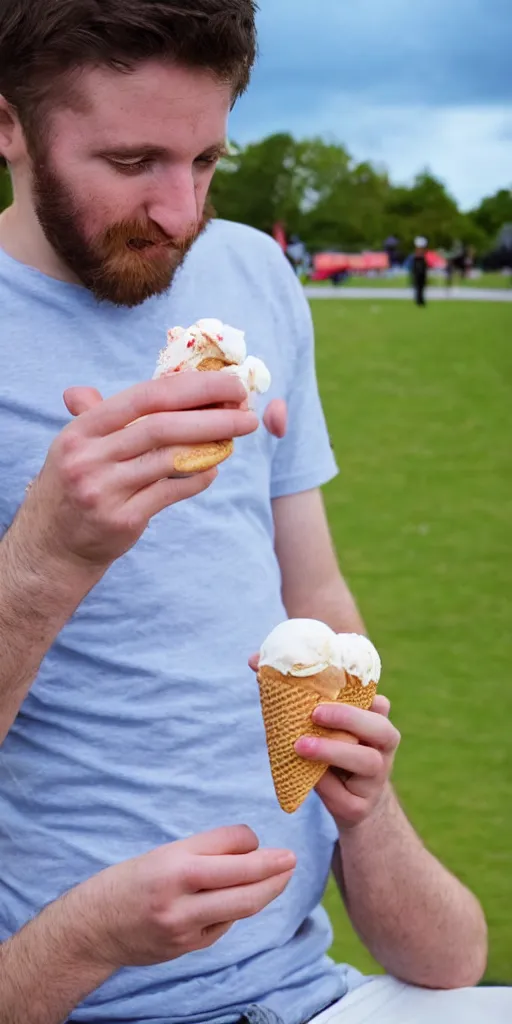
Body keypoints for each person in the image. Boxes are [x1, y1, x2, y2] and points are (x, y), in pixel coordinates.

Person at [0, 3, 510, 1024]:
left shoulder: (248, 273)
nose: (181, 212)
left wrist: (362, 784)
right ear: (8, 124)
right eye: (133, 159)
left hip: (306, 988)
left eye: (205, 159)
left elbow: (308, 586)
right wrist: (48, 558)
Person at [411, 236, 428, 306]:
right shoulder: (417, 256)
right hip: (418, 272)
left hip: (421, 272)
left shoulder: (421, 257)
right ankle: (419, 300)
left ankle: (421, 300)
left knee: (421, 287)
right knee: (418, 287)